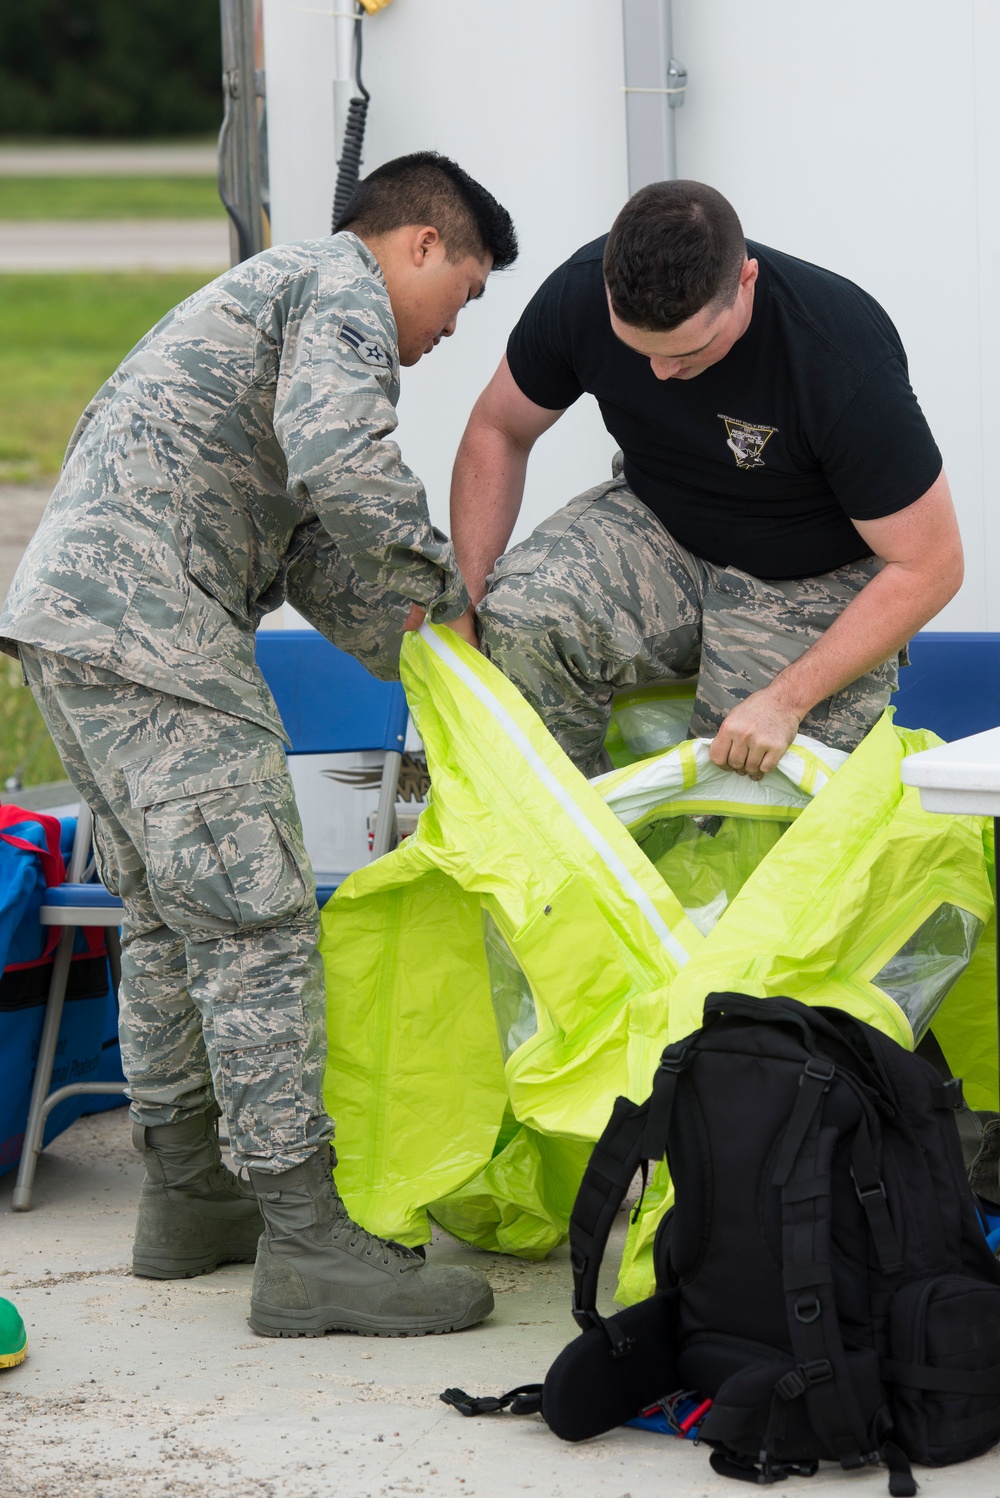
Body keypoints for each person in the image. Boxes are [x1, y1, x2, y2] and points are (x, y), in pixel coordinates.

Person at [0, 151, 517, 1339]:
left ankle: (191, 1197)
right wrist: (441, 594)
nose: (451, 330)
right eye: (466, 294)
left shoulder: (272, 307)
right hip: (153, 628)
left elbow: (317, 555)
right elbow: (346, 457)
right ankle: (305, 1241)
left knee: (176, 918)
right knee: (260, 919)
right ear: (421, 245)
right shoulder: (340, 285)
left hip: (78, 625)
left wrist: (432, 655)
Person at [450, 180, 963, 779]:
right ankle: (574, 842)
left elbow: (932, 564)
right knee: (522, 619)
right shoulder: (581, 292)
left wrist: (787, 699)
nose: (663, 374)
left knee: (744, 789)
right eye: (640, 351)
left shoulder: (838, 357)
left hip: (811, 577)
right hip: (662, 526)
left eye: (688, 353)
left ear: (745, 282)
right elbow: (498, 429)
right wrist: (467, 597)